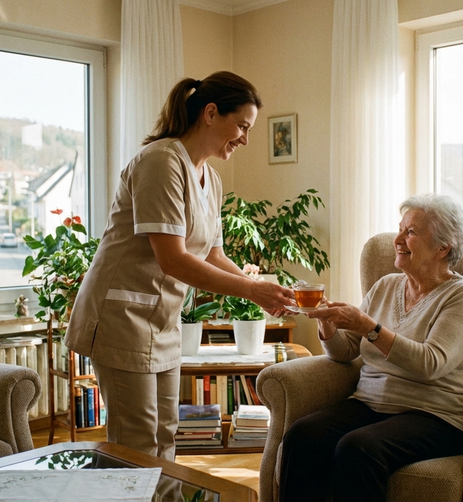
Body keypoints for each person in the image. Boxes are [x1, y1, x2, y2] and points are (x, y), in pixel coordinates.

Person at [66, 71, 295, 461]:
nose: (245, 138)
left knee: (165, 435)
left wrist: (264, 290)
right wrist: (251, 290)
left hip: (162, 321)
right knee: (135, 443)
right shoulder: (160, 162)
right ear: (210, 113)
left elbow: (212, 254)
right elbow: (172, 258)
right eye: (241, 126)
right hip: (121, 318)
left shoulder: (211, 178)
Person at [277, 193, 463, 502]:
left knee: (358, 448)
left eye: (411, 232)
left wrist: (368, 327)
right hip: (370, 403)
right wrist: (326, 321)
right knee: (302, 435)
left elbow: (431, 363)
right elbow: (345, 352)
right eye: (400, 229)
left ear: (444, 247)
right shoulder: (386, 285)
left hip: (435, 415)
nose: (398, 239)